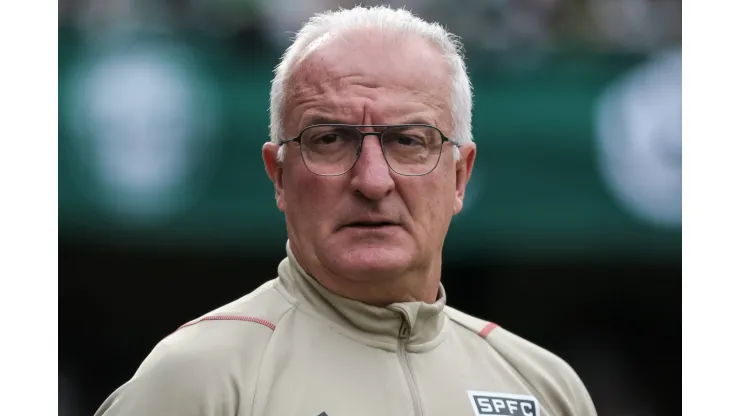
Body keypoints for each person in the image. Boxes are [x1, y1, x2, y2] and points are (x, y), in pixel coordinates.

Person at [95, 6, 597, 416]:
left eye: (409, 141)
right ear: (279, 177)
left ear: (460, 177)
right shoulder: (197, 382)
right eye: (330, 140)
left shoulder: (545, 390)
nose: (373, 181)